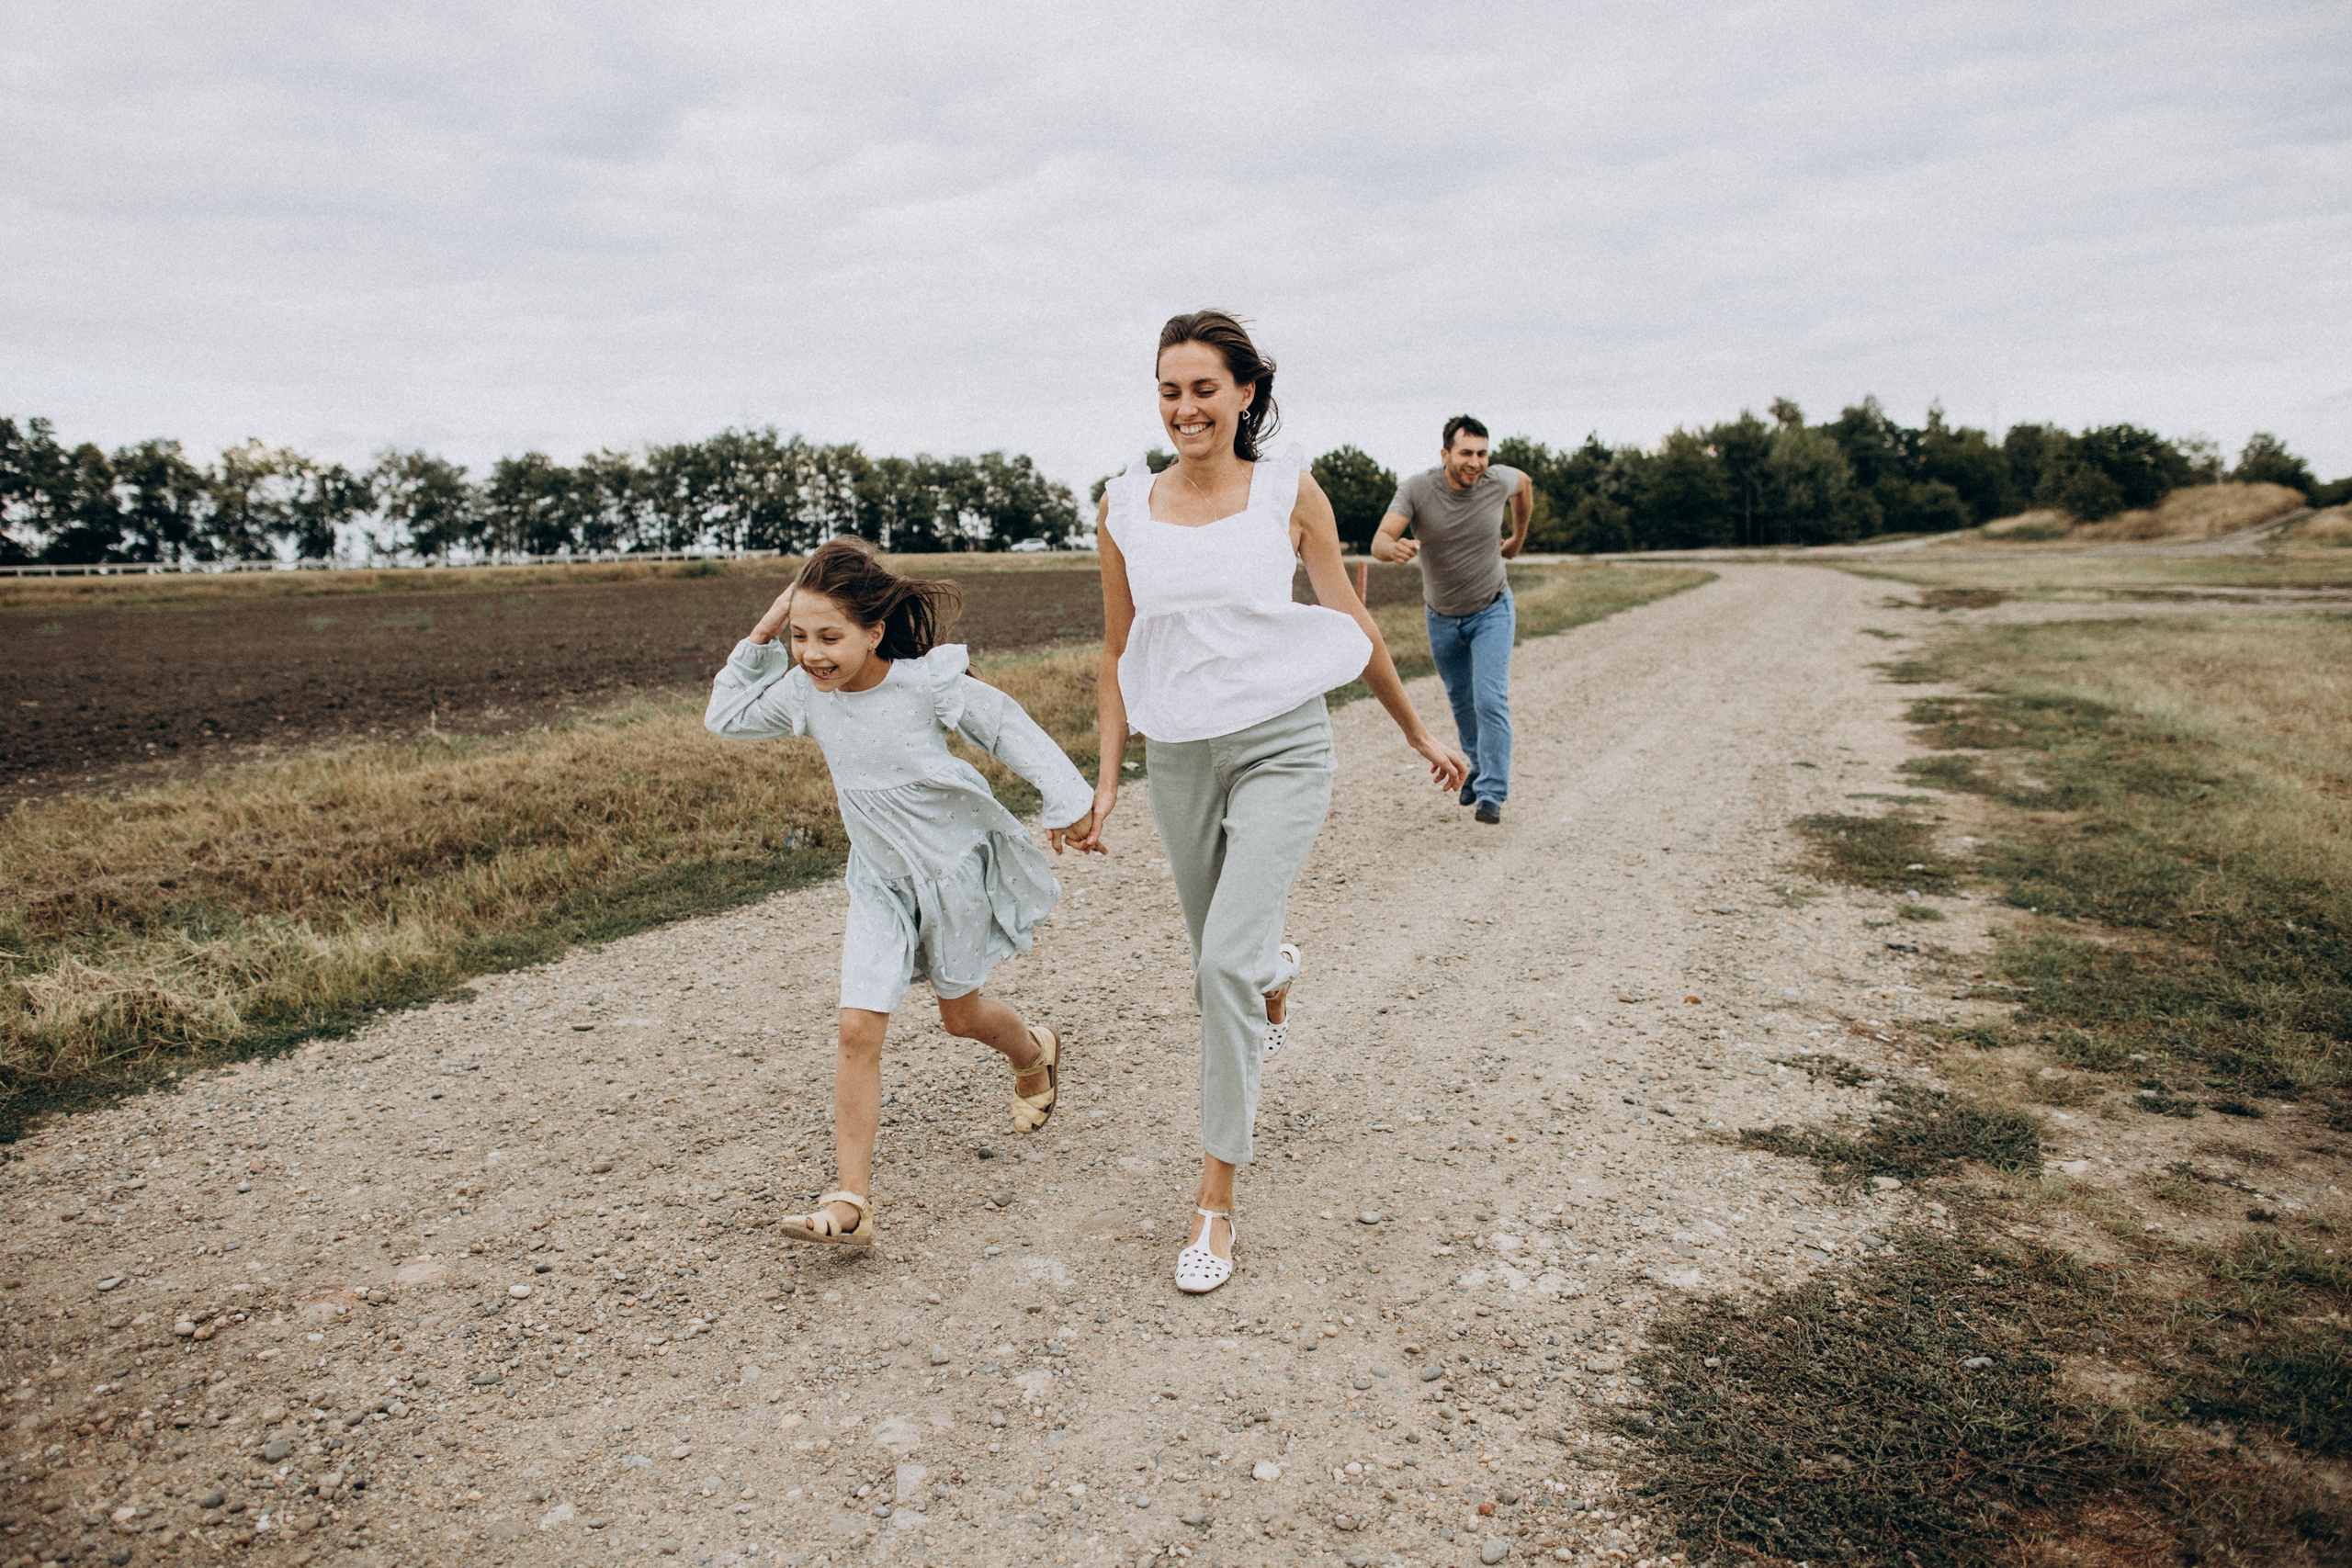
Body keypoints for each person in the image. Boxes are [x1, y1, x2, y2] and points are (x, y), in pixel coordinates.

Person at [1069, 310, 1469, 1294]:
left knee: (1216, 976)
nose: (1184, 408)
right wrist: (1108, 779)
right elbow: (1117, 653)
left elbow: (1349, 621)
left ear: (1246, 393)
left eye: (1204, 388)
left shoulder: (1290, 491)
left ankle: (1215, 1202)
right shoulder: (1123, 505)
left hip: (1285, 744)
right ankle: (1274, 965)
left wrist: (1416, 732)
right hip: (1180, 759)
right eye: (1169, 390)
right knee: (1230, 962)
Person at [705, 538, 1098, 1247]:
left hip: (951, 875)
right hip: (880, 882)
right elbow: (725, 718)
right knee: (857, 1027)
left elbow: (1006, 726)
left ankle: (1032, 1050)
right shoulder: (805, 691)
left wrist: (1068, 800)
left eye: (829, 636)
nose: (812, 653)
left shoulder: (925, 683)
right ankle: (852, 1199)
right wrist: (764, 634)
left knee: (960, 1016)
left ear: (874, 630)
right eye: (800, 636)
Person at [1371, 415, 1532, 824]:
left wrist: (1517, 537)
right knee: (1461, 698)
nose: (1475, 462)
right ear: (1446, 454)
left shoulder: (1498, 480)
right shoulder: (1418, 489)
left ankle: (1492, 792)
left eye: (1482, 453)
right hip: (1441, 617)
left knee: (1489, 698)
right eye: (1466, 453)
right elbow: (1380, 541)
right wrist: (1395, 550)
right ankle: (1476, 766)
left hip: (1492, 608)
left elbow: (1525, 486)